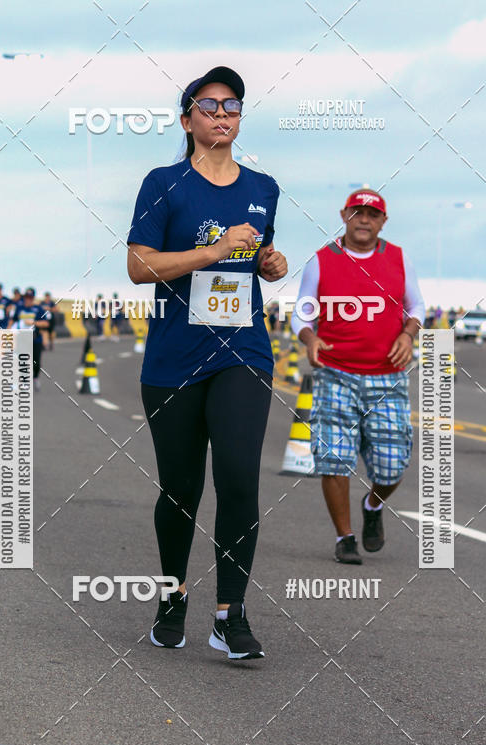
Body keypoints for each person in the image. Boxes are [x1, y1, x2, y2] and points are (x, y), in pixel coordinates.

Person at [128, 65, 287, 660]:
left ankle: (230, 615)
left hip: (241, 350)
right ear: (187, 117)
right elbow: (139, 266)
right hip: (173, 359)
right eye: (211, 105)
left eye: (233, 106)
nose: (223, 114)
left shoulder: (264, 187)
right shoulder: (163, 183)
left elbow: (262, 256)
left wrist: (271, 263)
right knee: (179, 491)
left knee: (241, 476)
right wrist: (214, 251)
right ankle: (172, 597)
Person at [292, 189, 425, 564]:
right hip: (336, 374)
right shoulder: (321, 261)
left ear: (383, 221)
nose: (363, 219)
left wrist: (407, 334)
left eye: (372, 214)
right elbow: (301, 314)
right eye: (356, 212)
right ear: (344, 215)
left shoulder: (399, 259)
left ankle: (372, 505)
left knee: (393, 463)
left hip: (388, 378)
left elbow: (417, 306)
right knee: (333, 458)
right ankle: (344, 538)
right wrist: (310, 337)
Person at [10, 287, 51, 391]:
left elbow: (46, 323)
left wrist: (33, 323)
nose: (28, 299)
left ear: (33, 298)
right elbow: (13, 320)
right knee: (22, 360)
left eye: (30, 297)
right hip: (22, 337)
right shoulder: (19, 308)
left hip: (35, 338)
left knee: (36, 362)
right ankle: (24, 382)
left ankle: (35, 377)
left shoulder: (38, 309)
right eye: (26, 297)